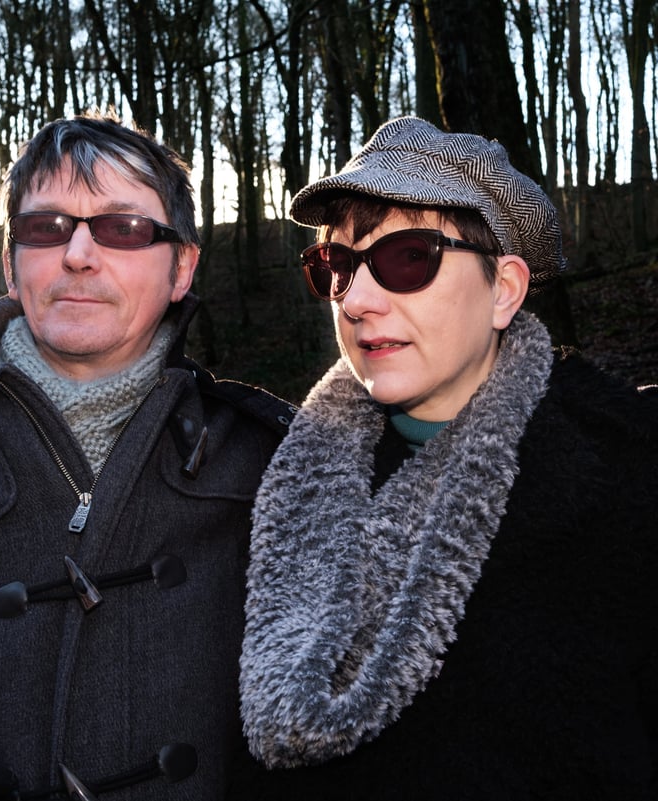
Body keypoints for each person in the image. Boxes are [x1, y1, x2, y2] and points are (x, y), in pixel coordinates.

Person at [236, 117, 658, 800]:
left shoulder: (629, 483)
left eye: (409, 257)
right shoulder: (281, 487)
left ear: (505, 290)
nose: (359, 301)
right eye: (337, 266)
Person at [0, 111, 294, 801]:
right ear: (12, 265)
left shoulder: (276, 465)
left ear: (182, 267)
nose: (78, 253)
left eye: (122, 228)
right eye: (46, 227)